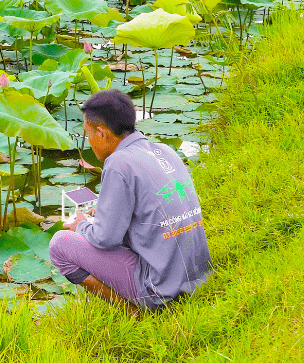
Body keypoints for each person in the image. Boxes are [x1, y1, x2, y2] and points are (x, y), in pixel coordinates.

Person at [49, 88, 212, 314]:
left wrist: (81, 226)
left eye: (88, 134)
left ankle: (132, 312)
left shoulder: (118, 163)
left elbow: (105, 238)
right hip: (199, 278)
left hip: (162, 290)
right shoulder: (165, 151)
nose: (88, 141)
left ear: (102, 133)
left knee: (59, 245)